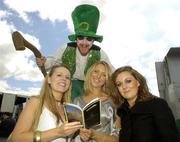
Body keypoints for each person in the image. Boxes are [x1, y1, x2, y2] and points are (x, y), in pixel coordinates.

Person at [36, 4, 113, 102]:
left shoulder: (100, 53)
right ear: (76, 39)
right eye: (80, 38)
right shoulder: (66, 48)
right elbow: (53, 63)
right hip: (68, 88)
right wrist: (44, 62)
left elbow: (111, 72)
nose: (84, 43)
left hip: (90, 89)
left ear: (93, 41)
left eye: (89, 39)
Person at [9, 64, 83, 142]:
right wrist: (58, 132)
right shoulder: (36, 101)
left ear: (69, 84)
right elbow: (17, 137)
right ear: (49, 80)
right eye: (59, 75)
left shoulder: (69, 108)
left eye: (67, 77)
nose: (64, 79)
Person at [110, 66, 180, 142]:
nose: (124, 86)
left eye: (128, 81)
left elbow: (171, 139)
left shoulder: (157, 104)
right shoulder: (122, 112)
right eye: (119, 84)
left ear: (138, 82)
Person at [73, 61, 120, 142]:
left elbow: (117, 139)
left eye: (103, 75)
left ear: (106, 79)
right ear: (90, 73)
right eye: (96, 71)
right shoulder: (77, 101)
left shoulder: (112, 102)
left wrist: (94, 135)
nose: (98, 76)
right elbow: (73, 135)